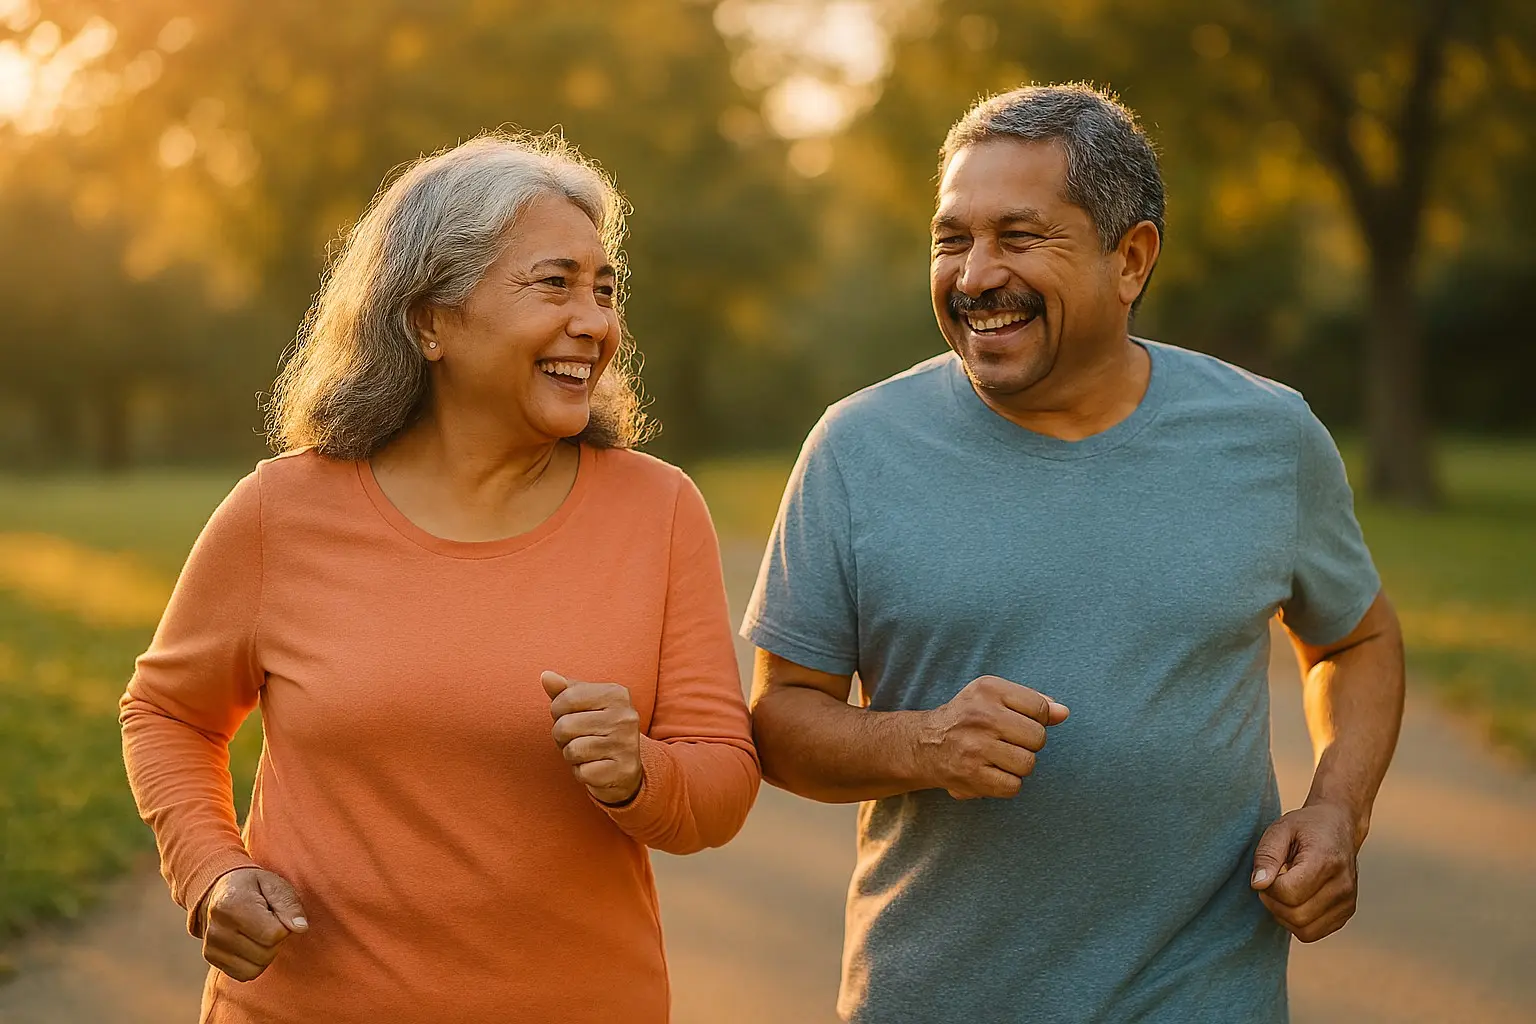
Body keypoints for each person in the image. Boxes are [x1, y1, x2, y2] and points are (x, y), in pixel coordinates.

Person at [744, 84, 1405, 1023]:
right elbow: (779, 721)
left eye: (1018, 237)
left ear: (1130, 259)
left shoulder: (1266, 435)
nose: (975, 276)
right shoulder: (856, 447)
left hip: (1204, 992)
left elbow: (1356, 642)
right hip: (935, 997)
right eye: (950, 239)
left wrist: (1339, 806)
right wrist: (924, 741)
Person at [121, 133, 759, 1024]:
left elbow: (721, 784)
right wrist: (212, 870)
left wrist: (636, 771)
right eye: (554, 283)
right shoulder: (283, 511)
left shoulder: (658, 511)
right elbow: (168, 711)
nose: (596, 321)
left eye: (604, 289)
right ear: (431, 321)